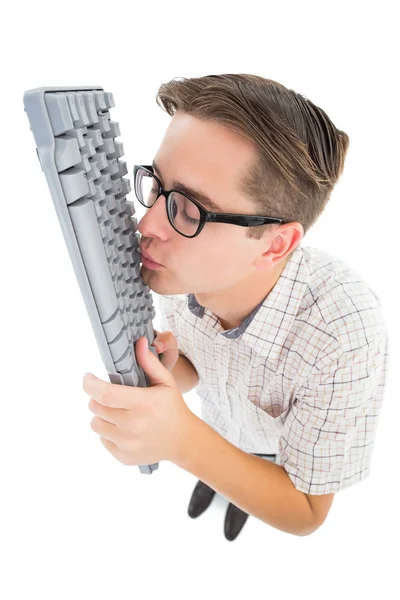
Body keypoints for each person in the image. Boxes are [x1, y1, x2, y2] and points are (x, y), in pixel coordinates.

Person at [135, 73, 389, 541]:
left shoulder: (344, 337)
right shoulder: (183, 266)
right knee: (219, 467)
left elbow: (307, 509)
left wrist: (183, 441)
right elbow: (197, 358)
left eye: (190, 210)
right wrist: (173, 371)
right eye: (157, 187)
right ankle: (219, 480)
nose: (148, 223)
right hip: (219, 428)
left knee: (244, 479)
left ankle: (234, 493)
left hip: (274, 458)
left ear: (275, 246)